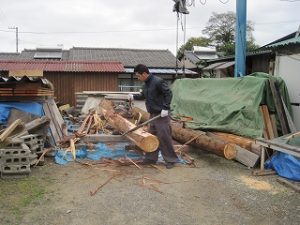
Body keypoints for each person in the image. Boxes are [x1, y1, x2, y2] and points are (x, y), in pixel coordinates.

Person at [129, 64, 179, 169]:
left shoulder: (158, 81)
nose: (138, 78)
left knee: (164, 137)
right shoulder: (145, 84)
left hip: (161, 115)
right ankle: (151, 158)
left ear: (144, 73)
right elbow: (143, 96)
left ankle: (171, 160)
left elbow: (168, 93)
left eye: (138, 76)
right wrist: (133, 96)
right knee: (151, 137)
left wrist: (165, 107)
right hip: (152, 115)